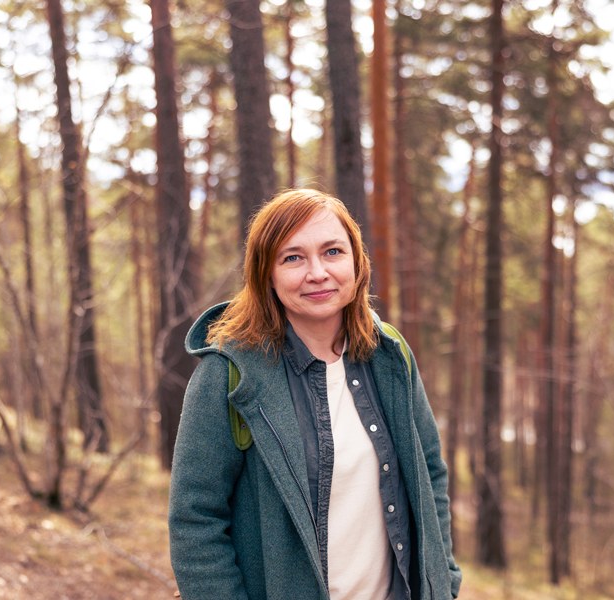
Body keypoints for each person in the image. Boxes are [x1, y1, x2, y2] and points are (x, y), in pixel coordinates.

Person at [168, 189, 461, 600]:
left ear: (357, 262)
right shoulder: (228, 374)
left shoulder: (389, 356)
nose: (318, 272)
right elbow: (196, 520)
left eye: (333, 252)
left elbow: (429, 473)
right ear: (265, 274)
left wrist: (443, 580)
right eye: (293, 258)